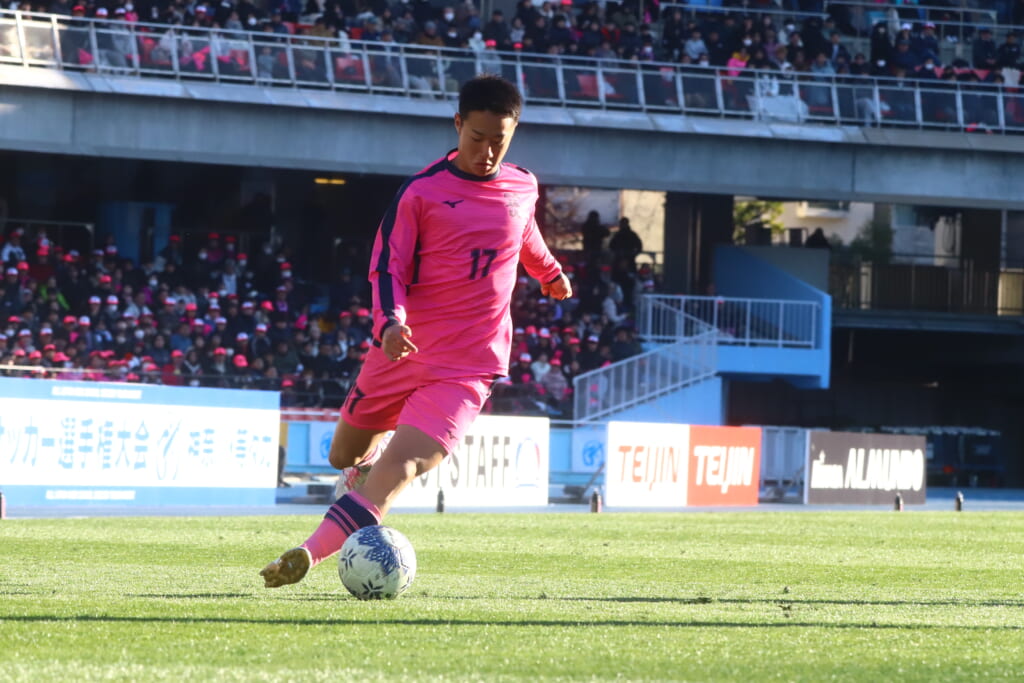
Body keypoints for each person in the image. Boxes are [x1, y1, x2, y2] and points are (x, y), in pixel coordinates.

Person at [260, 75, 572, 588]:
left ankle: (306, 554)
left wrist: (550, 272)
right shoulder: (421, 192)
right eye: (477, 138)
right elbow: (388, 266)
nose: (487, 152)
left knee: (402, 467)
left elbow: (525, 232)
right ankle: (361, 471)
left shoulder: (523, 185)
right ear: (458, 124)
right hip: (401, 350)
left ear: (513, 132)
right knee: (343, 456)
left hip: (468, 367)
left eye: (498, 141)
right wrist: (390, 322)